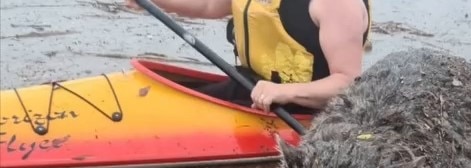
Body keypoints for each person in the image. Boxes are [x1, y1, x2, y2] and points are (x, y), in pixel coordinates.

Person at [127, 0, 371, 114]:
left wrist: (283, 92)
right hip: (251, 88)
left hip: (304, 110)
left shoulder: (337, 4)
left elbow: (348, 84)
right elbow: (209, 5)